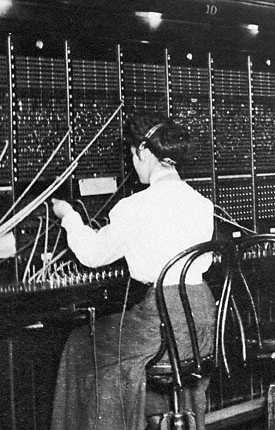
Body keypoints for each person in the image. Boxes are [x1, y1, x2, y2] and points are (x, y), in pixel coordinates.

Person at [50, 113, 215, 430]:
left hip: (161, 322)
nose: (133, 164)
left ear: (144, 151)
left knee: (81, 342)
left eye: (132, 155)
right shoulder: (201, 203)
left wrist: (69, 216)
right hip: (199, 325)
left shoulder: (134, 206)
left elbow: (92, 255)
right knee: (112, 349)